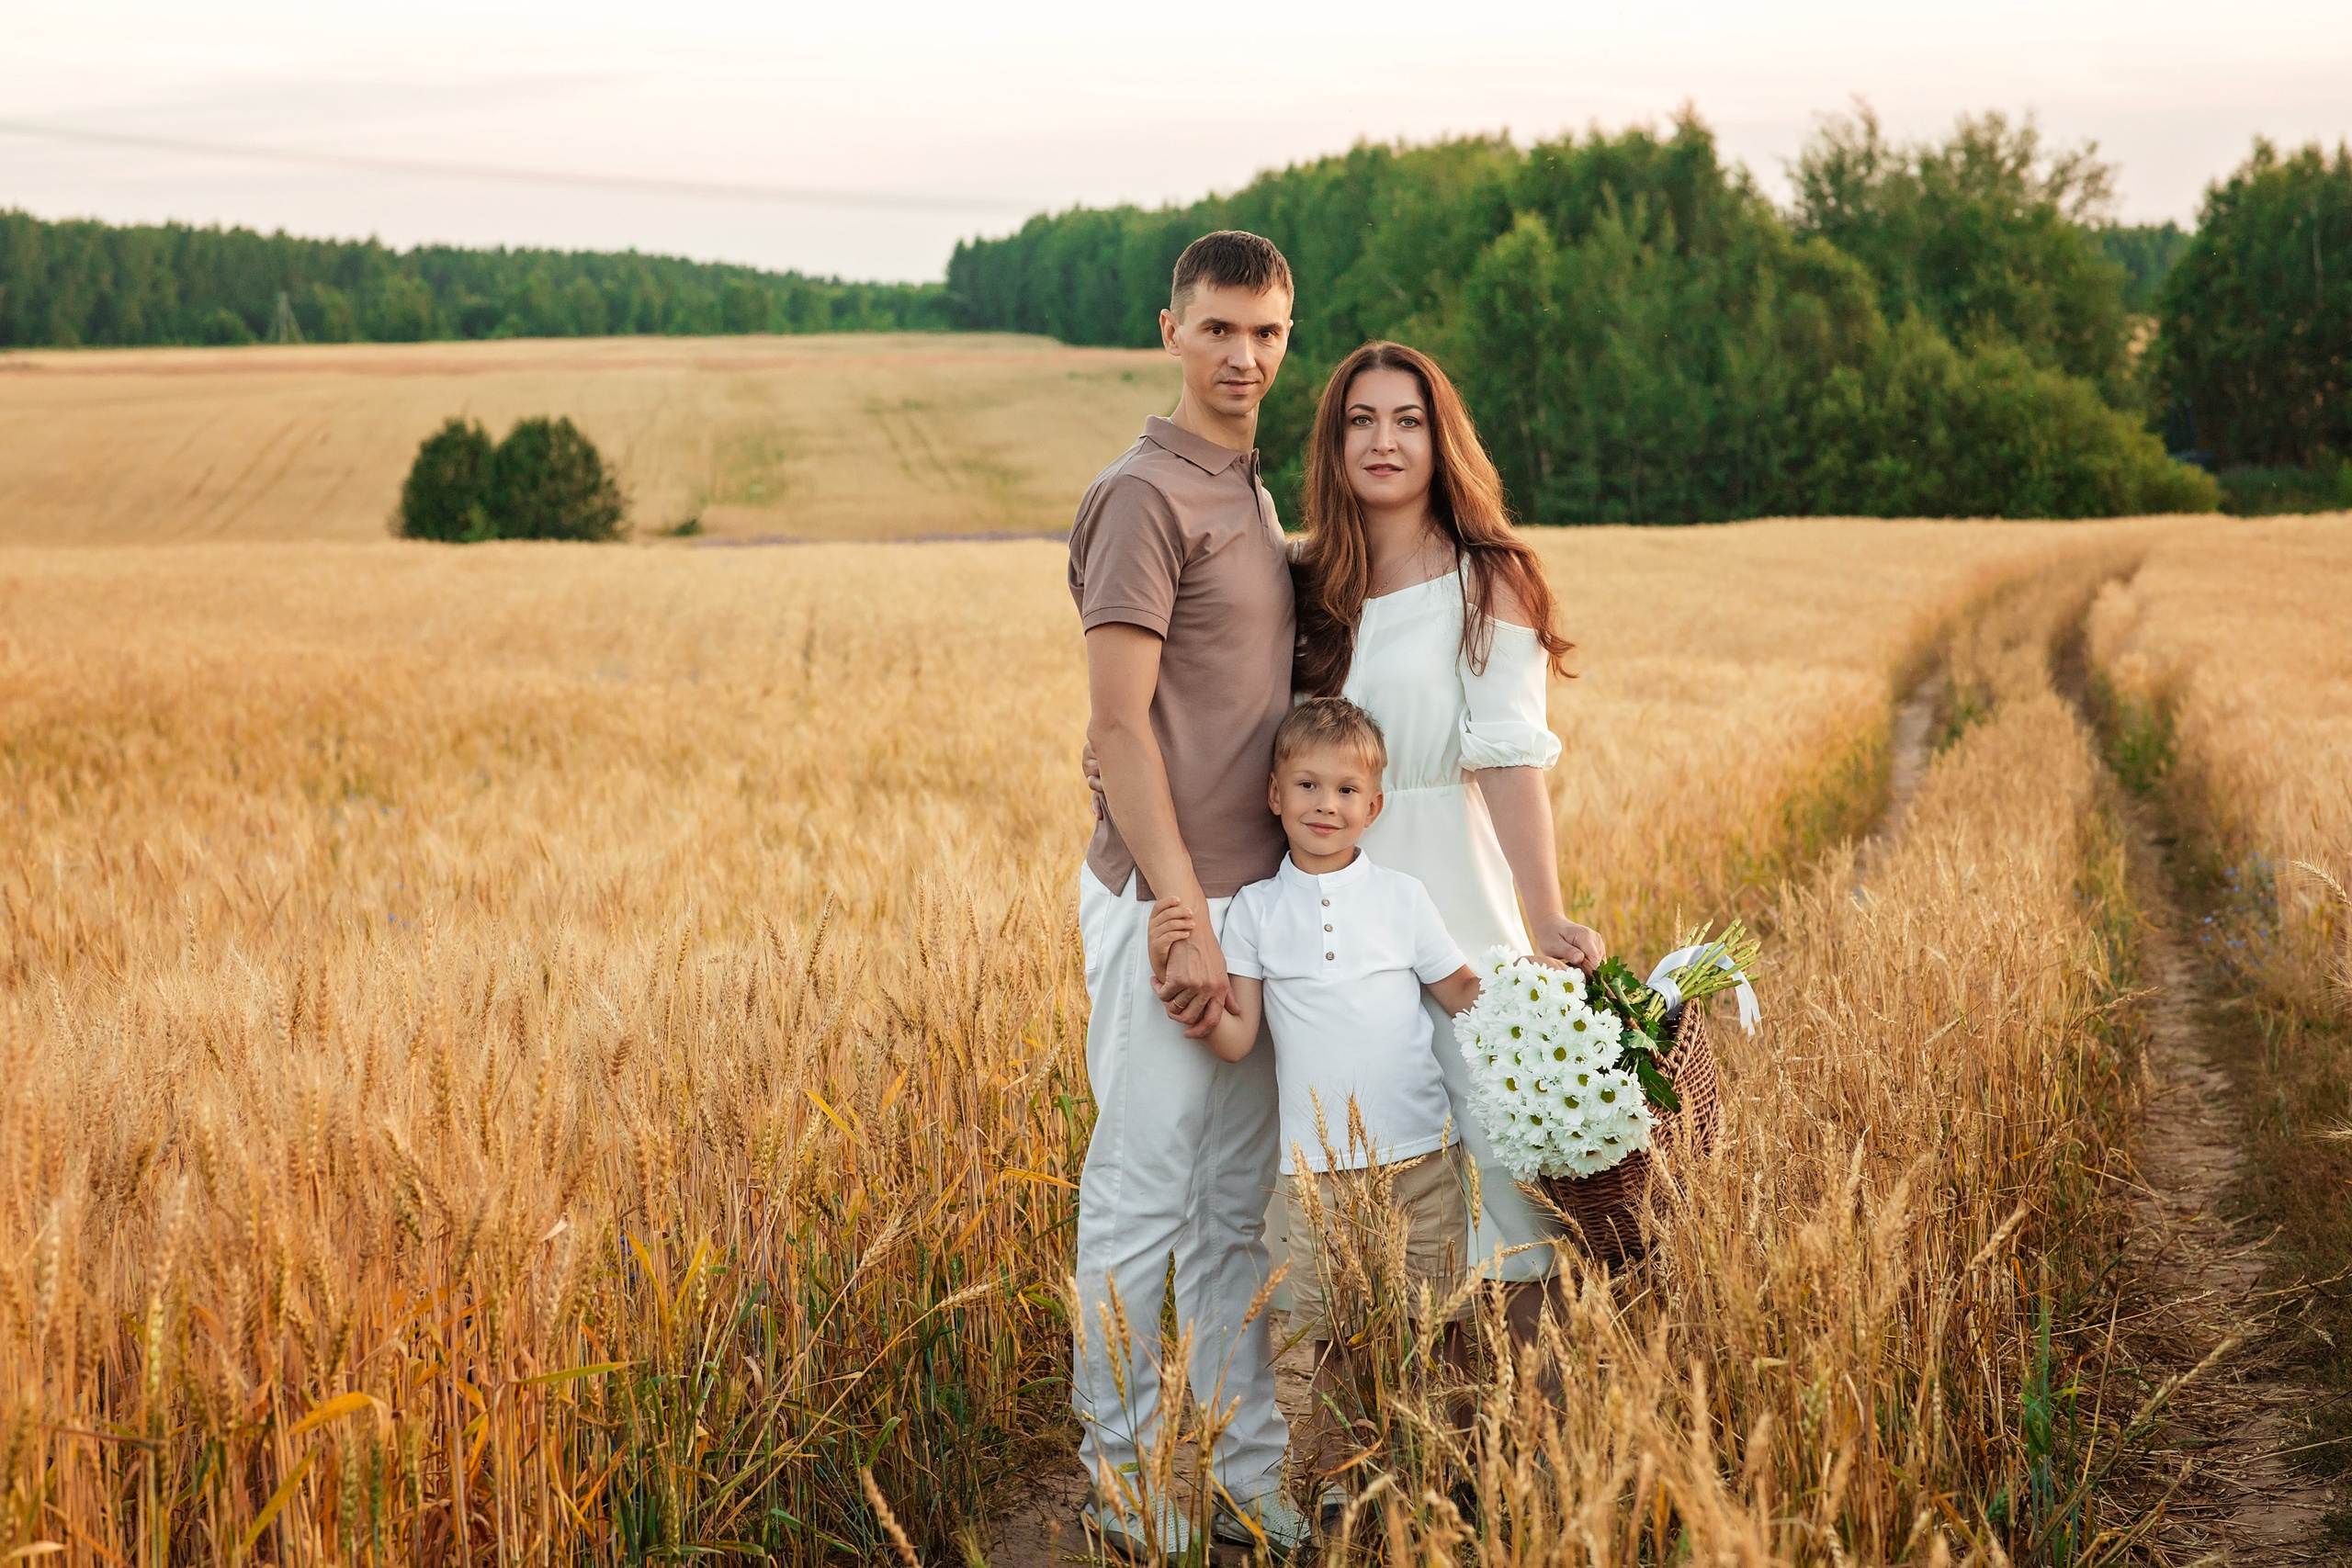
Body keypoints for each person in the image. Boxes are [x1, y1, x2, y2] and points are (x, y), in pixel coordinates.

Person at [1064, 230, 1312, 1563]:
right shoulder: (1142, 494)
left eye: (1268, 332)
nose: (1246, 356)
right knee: (1141, 1198)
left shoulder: (1247, 485)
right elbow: (1119, 727)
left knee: (1234, 1210)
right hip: (1170, 904)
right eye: (1221, 328)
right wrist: (1184, 911)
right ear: (1172, 330)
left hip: (1251, 906)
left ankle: (1242, 1472)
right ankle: (1121, 1491)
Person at [1291, 340, 1606, 1343]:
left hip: (1459, 914)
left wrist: (1545, 913)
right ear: (1334, 443)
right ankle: (1412, 1455)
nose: (1384, 441)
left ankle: (1530, 1454)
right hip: (1336, 934)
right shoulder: (1306, 590)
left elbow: (1510, 757)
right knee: (1372, 1208)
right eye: (1361, 420)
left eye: (1408, 420)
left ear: (1440, 438)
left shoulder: (1489, 579)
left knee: (1513, 1201)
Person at [1144, 697, 1482, 1528]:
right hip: (1316, 1171)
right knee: (1336, 1337)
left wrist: (1548, 1011)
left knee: (1431, 1321)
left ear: (1374, 805)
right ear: (1274, 795)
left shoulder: (1403, 897)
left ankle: (1436, 1465)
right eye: (1306, 784)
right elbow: (1239, 1037)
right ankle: (1340, 1479)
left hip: (1421, 1155)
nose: (1325, 804)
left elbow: (1464, 992)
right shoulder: (1258, 911)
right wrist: (1178, 985)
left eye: (1344, 789)